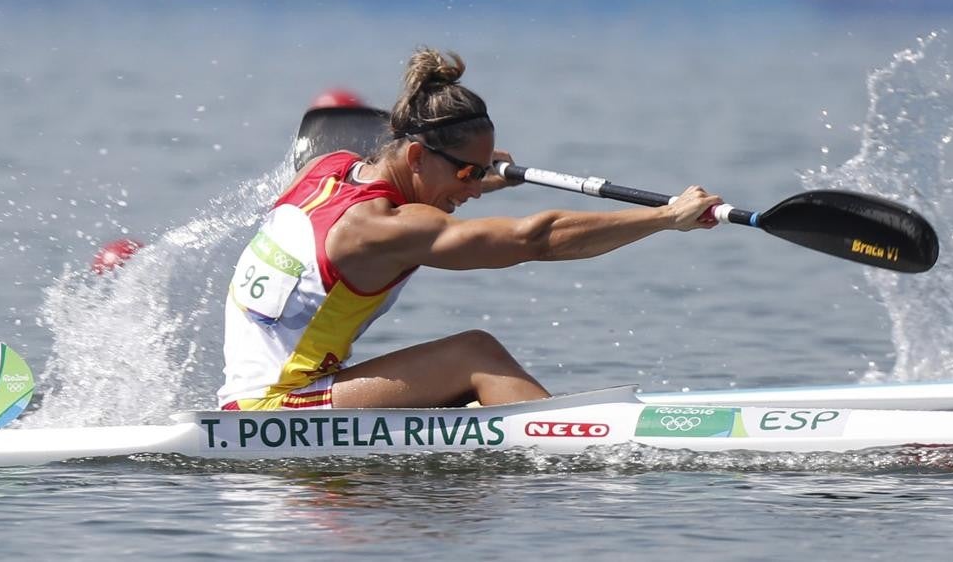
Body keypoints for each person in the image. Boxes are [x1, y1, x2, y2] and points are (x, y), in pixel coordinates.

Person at [217, 48, 723, 411]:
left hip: (258, 399)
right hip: (275, 412)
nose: (472, 187)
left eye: (478, 174)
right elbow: (535, 240)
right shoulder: (382, 229)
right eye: (465, 173)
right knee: (474, 354)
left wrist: (467, 178)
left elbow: (401, 181)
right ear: (416, 155)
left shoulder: (327, 169)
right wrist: (664, 217)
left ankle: (524, 420)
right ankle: (577, 458)